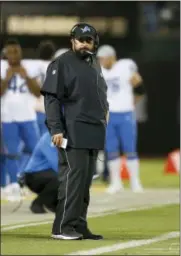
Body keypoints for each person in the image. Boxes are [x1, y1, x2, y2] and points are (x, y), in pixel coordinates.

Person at [41, 23, 109, 240]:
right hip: (72, 131)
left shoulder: (94, 63)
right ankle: (62, 227)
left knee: (85, 182)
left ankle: (79, 224)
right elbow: (51, 99)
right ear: (72, 41)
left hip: (93, 130)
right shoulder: (61, 63)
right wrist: (56, 129)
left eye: (88, 40)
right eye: (80, 40)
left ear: (94, 42)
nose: (83, 44)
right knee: (73, 179)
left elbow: (99, 95)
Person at [97, 45, 144, 194]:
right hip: (109, 115)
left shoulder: (125, 66)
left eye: (103, 58)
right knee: (111, 150)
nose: (101, 61)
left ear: (112, 57)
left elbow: (140, 87)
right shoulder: (99, 72)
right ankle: (116, 182)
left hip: (125, 114)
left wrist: (131, 103)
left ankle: (135, 182)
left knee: (130, 149)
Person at [0, 39, 41, 194]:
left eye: (16, 51)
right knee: (11, 152)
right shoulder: (2, 67)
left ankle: (23, 176)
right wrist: (7, 78)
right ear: (5, 54)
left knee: (34, 149)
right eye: (10, 52)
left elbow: (38, 92)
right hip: (8, 117)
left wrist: (27, 78)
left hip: (27, 115)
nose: (14, 55)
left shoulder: (29, 67)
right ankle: (14, 185)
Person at [18, 132, 59, 214]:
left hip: (48, 175)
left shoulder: (60, 138)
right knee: (63, 177)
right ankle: (37, 203)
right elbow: (56, 164)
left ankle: (52, 203)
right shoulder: (49, 138)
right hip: (33, 176)